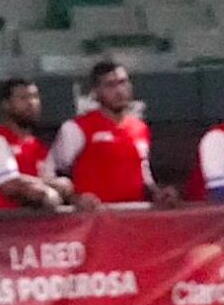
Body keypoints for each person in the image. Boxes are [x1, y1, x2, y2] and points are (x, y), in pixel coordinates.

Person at [48, 60, 177, 206]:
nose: (119, 91)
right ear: (96, 91)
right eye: (110, 85)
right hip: (93, 221)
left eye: (123, 82)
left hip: (136, 216)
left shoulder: (140, 128)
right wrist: (74, 199)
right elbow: (51, 173)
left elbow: (143, 173)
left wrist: (157, 193)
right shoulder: (76, 128)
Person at [0, 79, 78, 211]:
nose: (31, 103)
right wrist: (49, 187)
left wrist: (63, 189)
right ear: (6, 104)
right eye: (23, 98)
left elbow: (57, 187)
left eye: (35, 97)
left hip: (33, 227)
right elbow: (10, 185)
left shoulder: (38, 146)